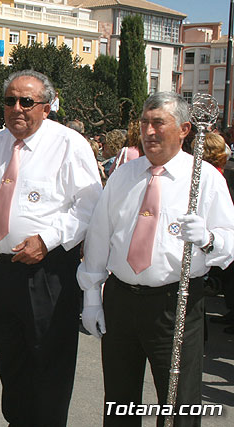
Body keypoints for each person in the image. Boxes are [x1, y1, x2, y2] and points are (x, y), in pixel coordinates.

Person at [77, 92, 234, 426]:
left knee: (178, 401)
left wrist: (207, 239)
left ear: (184, 129)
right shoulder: (124, 174)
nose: (148, 132)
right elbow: (100, 236)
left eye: (158, 123)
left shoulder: (205, 179)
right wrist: (92, 297)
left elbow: (229, 244)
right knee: (119, 399)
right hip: (122, 300)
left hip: (175, 302)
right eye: (144, 123)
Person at [0, 70, 102, 426]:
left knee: (48, 362)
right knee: (10, 358)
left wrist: (48, 240)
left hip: (47, 271)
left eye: (26, 102)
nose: (17, 108)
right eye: (10, 100)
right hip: (0, 270)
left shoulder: (69, 144)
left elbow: (90, 204)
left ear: (46, 107)